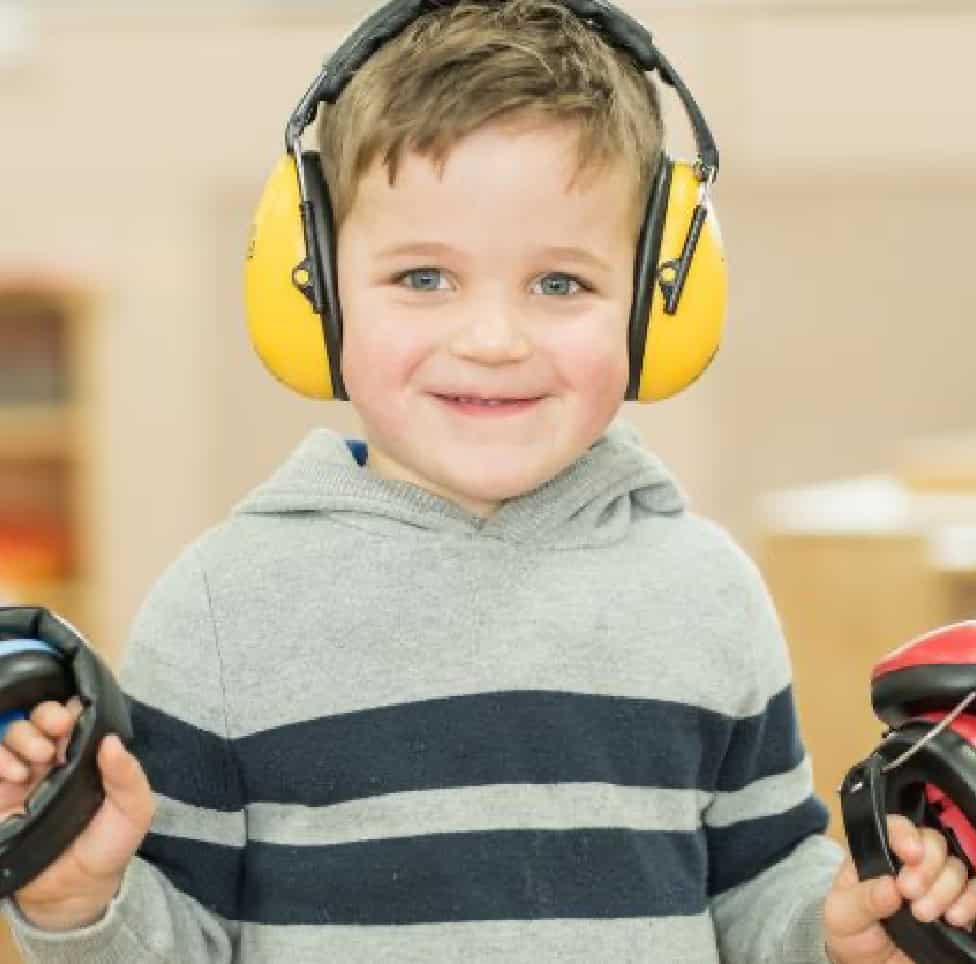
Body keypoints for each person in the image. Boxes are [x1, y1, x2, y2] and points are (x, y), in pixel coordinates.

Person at [2, 1, 974, 961]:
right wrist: (81, 898)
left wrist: (831, 932)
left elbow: (760, 887)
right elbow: (184, 941)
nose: (493, 340)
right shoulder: (217, 613)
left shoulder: (708, 596)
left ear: (655, 311)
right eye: (423, 276)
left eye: (561, 283)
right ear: (314, 291)